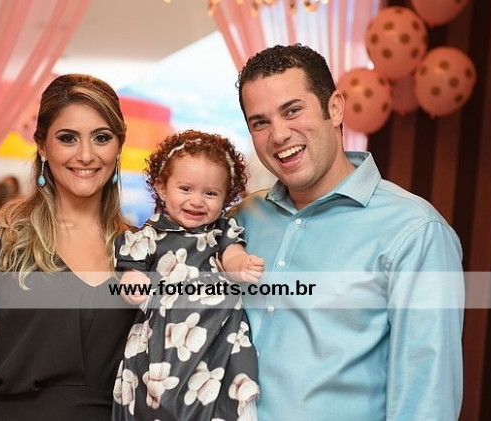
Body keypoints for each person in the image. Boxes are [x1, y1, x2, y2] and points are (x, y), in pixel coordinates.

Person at [231, 44, 464, 421]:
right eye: (260, 122)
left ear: (335, 108)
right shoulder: (241, 221)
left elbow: (427, 400)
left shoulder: (414, 230)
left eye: (292, 111)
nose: (279, 134)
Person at [0, 74, 137, 421]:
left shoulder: (141, 249)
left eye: (101, 137)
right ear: (42, 145)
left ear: (118, 145)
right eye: (67, 138)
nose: (86, 155)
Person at [113, 130, 262, 421]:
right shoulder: (151, 235)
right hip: (164, 338)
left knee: (219, 393)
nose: (197, 201)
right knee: (158, 396)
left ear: (226, 197)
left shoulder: (221, 231)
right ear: (162, 187)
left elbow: (231, 254)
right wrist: (132, 281)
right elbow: (132, 268)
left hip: (217, 333)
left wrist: (242, 264)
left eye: (210, 193)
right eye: (185, 189)